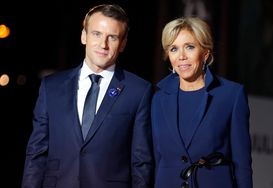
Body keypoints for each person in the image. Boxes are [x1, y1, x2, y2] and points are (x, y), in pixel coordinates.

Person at [21, 4, 154, 188]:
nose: (103, 44)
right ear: (84, 36)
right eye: (97, 34)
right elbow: (36, 153)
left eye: (112, 37)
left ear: (123, 44)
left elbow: (141, 162)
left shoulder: (139, 91)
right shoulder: (51, 87)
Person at [151, 16, 253, 188]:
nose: (181, 56)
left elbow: (242, 164)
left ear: (205, 53)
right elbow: (154, 159)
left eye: (189, 47)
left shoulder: (231, 95)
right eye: (174, 49)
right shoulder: (157, 97)